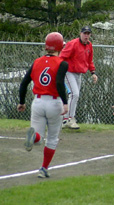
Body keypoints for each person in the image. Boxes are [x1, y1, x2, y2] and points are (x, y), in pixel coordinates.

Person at [17, 32, 68, 178]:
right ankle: (44, 168)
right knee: (52, 138)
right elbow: (59, 83)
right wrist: (65, 103)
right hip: (54, 102)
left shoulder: (36, 61)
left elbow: (24, 83)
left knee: (39, 137)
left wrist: (21, 102)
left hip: (37, 101)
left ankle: (34, 137)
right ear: (60, 47)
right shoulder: (62, 63)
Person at [60, 26, 98, 129]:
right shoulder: (73, 44)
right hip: (68, 71)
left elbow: (90, 61)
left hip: (78, 73)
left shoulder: (89, 45)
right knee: (74, 94)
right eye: (84, 33)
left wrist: (93, 72)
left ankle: (65, 119)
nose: (86, 35)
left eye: (88, 33)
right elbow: (62, 57)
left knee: (75, 96)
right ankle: (70, 119)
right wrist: (58, 70)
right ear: (80, 34)